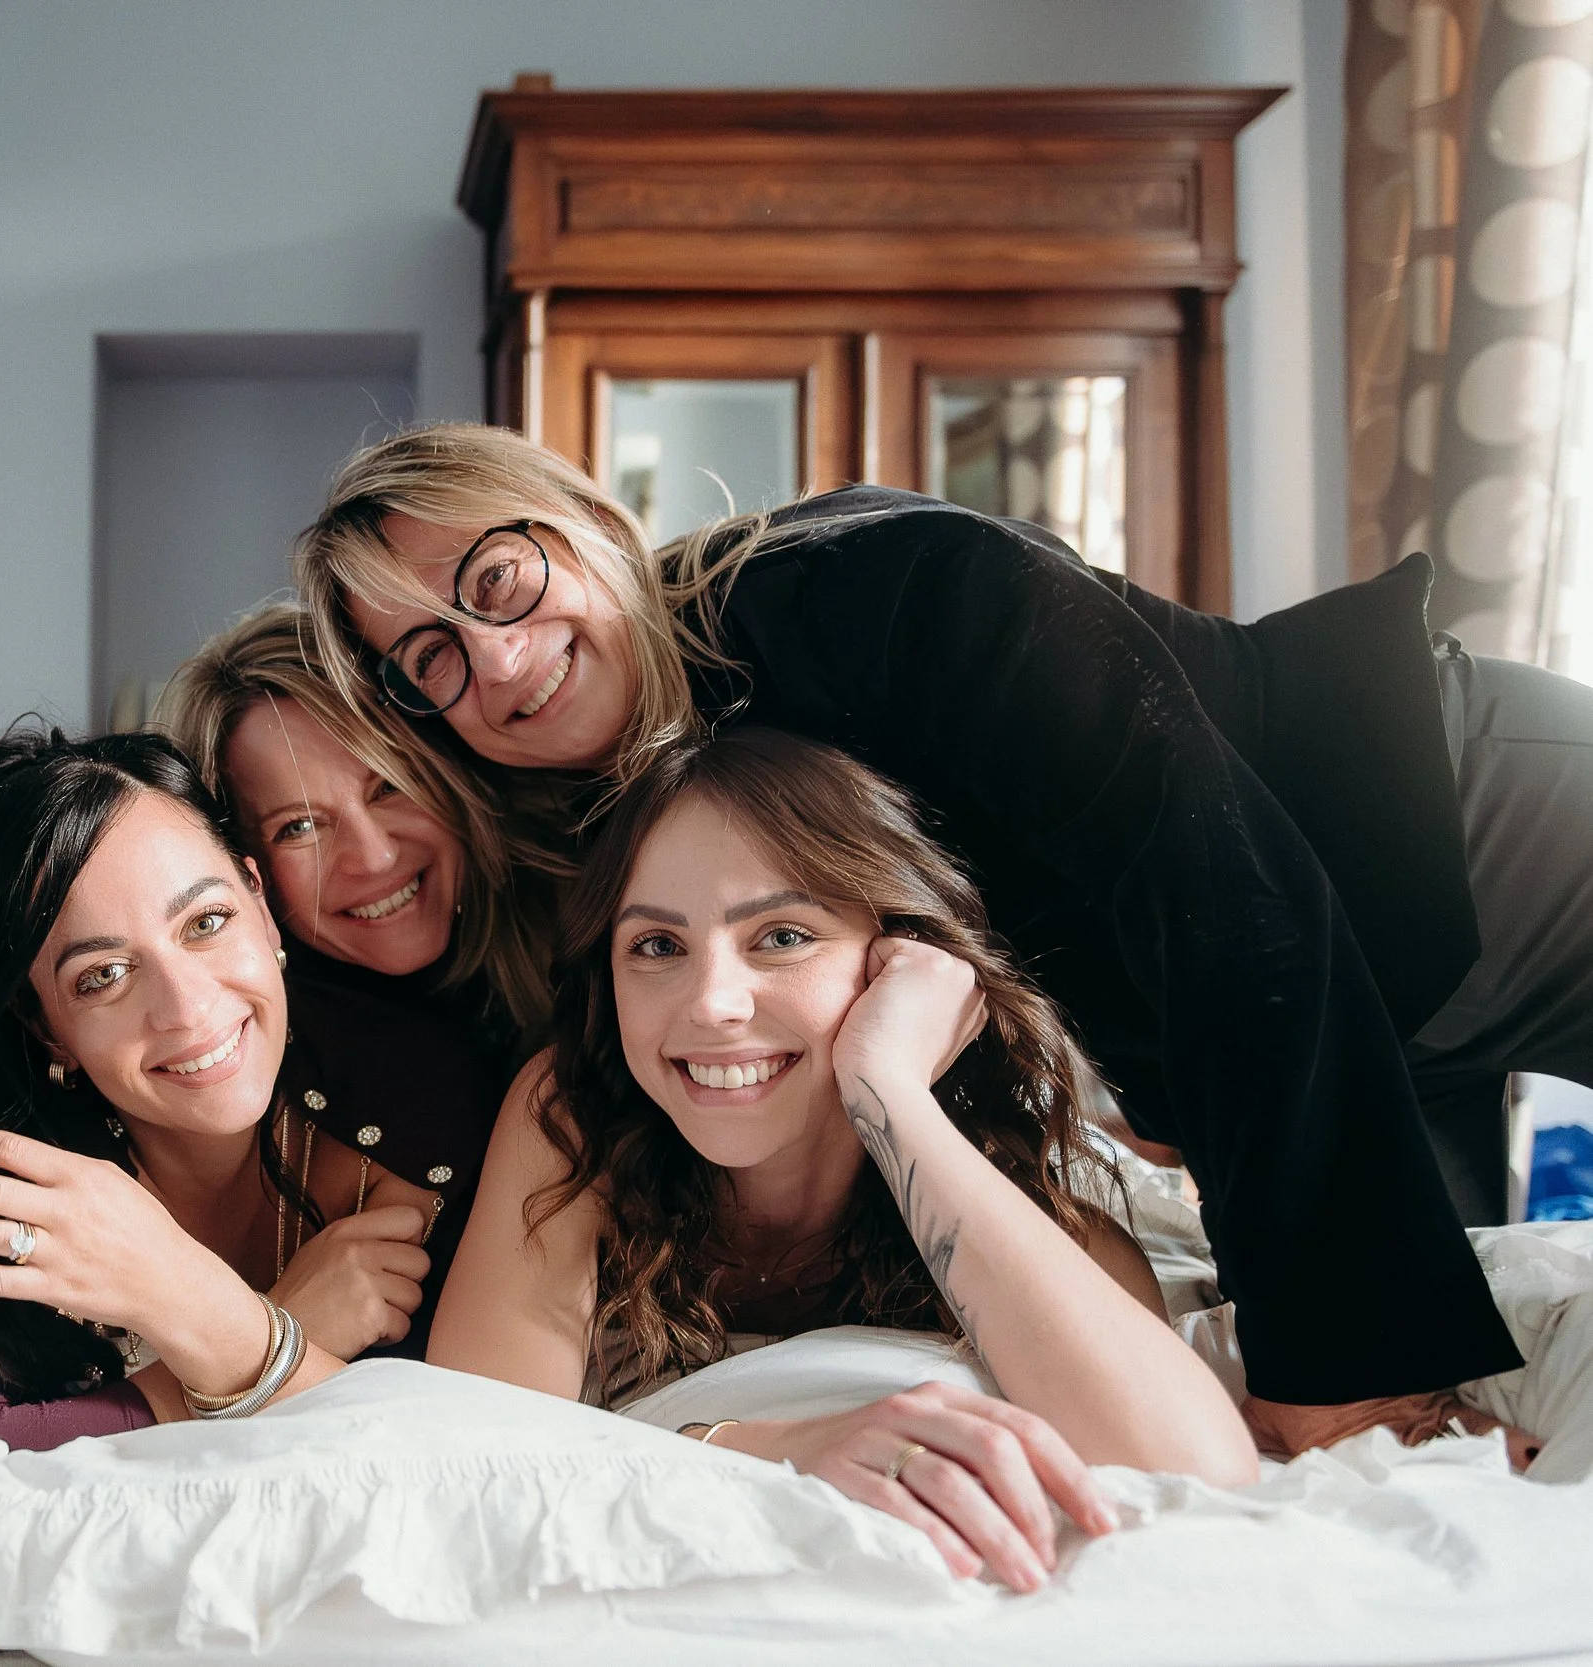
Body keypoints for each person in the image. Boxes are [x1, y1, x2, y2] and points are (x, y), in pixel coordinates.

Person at [294, 422, 1577, 1451]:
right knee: (1441, 1454)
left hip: (1457, 818)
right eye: (431, 658)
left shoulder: (867, 593)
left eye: (499, 579)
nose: (500, 658)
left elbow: (1219, 888)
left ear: (582, 525)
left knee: (1366, 1398)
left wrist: (1338, 1376)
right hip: (1365, 1017)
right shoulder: (641, 784)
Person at [429, 727, 1259, 1591]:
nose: (711, 1002)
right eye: (657, 946)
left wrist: (890, 1091)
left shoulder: (998, 1169)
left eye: (782, 936)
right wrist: (774, 1444)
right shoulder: (576, 1114)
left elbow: (1193, 1465)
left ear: (899, 956)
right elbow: (472, 1455)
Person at [0, 727, 491, 1448]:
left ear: (260, 906)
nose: (187, 1008)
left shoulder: (426, 1096)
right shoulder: (15, 1172)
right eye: (103, 975)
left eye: (207, 921)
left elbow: (475, 1462)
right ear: (47, 1028)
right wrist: (230, 1321)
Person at [157, 601, 554, 1051]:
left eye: (389, 786)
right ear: (245, 869)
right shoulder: (252, 1060)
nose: (375, 856)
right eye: (300, 826)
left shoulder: (578, 927)